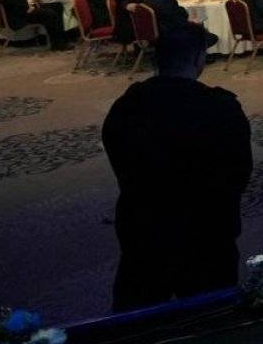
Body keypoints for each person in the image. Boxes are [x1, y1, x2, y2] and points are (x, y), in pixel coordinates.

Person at [100, 24, 253, 312]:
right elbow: (239, 173)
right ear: (198, 59)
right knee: (212, 315)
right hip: (206, 233)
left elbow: (118, 160)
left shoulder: (127, 106)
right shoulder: (220, 108)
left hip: (143, 229)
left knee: (137, 318)